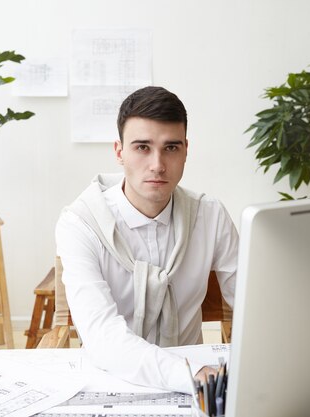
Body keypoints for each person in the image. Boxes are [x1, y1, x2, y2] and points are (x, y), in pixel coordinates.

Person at [55, 86, 238, 393]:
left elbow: (252, 304)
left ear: (186, 151)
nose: (157, 164)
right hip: (115, 379)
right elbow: (102, 337)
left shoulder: (211, 215)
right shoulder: (79, 223)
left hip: (198, 387)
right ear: (119, 151)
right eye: (142, 147)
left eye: (171, 148)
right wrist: (190, 374)